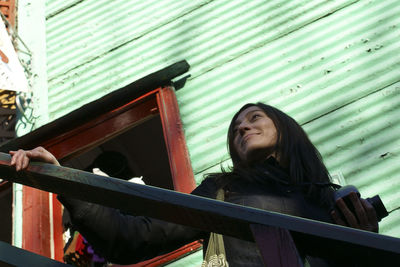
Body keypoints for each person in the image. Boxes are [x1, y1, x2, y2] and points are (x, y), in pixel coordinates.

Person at [10, 102, 379, 266]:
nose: (243, 127)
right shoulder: (222, 190)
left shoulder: (330, 198)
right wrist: (66, 179)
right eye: (236, 128)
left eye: (254, 118)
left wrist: (366, 242)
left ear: (286, 129)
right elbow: (131, 238)